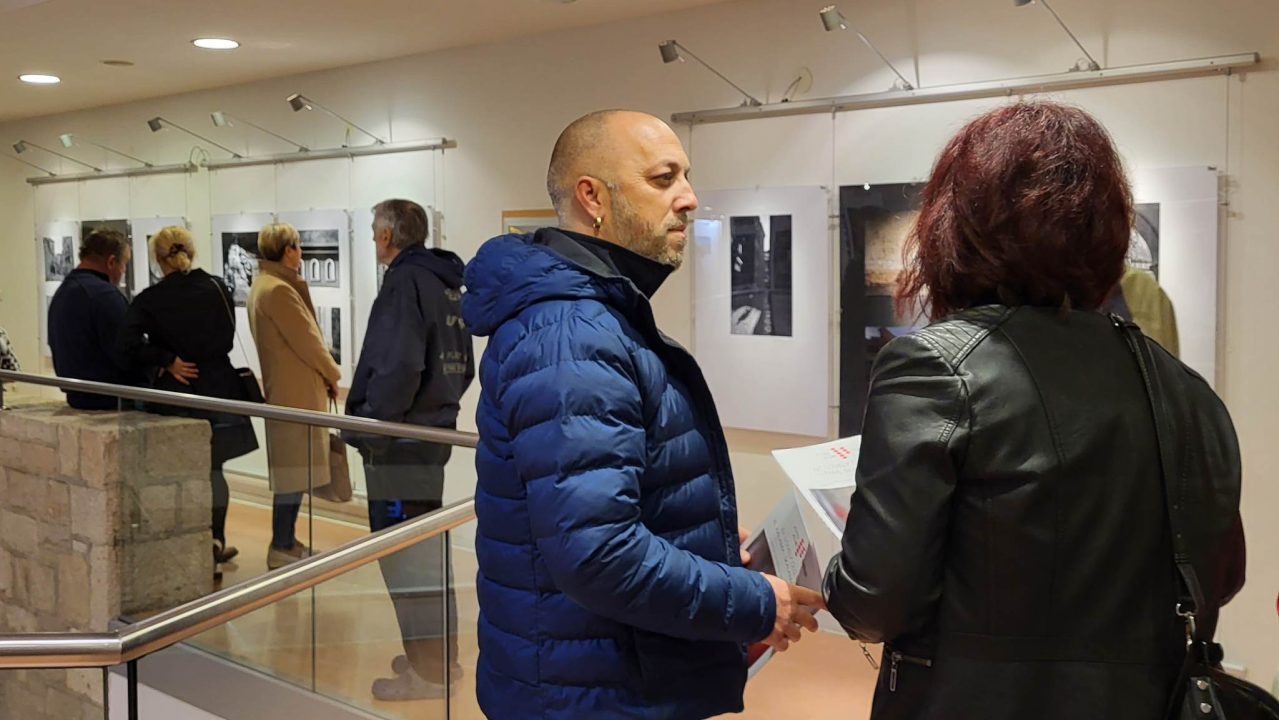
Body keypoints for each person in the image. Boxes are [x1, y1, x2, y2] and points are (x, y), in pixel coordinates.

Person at [822, 101, 1245, 720]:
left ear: (955, 227)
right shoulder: (1186, 391)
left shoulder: (938, 367)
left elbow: (874, 601)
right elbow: (1222, 578)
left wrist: (826, 569)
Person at [461, 110, 824, 720]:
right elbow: (597, 553)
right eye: (663, 178)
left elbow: (603, 508)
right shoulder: (572, 333)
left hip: (602, 681)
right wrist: (753, 601)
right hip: (592, 695)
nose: (689, 197)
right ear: (592, 196)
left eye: (685, 176)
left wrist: (699, 538)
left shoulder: (594, 318)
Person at [344, 199, 474, 701]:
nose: (374, 238)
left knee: (404, 557)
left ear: (386, 236)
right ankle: (439, 660)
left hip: (397, 446)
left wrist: (374, 432)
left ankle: (429, 671)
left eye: (375, 231)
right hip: (427, 439)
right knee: (424, 552)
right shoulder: (445, 281)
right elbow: (463, 367)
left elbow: (398, 368)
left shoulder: (403, 282)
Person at [118, 226, 259, 578]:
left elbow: (127, 345)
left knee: (174, 474)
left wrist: (166, 359)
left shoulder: (150, 299)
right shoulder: (216, 287)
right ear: (191, 252)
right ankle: (214, 541)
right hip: (218, 386)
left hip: (178, 391)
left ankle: (181, 547)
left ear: (157, 258)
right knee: (214, 470)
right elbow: (227, 336)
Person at [247, 223, 342, 571]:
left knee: (293, 472)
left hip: (287, 392)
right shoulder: (279, 291)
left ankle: (286, 540)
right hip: (296, 396)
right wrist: (333, 373)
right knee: (293, 473)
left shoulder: (263, 286)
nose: (301, 254)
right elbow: (309, 343)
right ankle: (282, 543)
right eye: (299, 247)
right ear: (288, 251)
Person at [48, 227, 140, 409]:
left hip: (78, 398)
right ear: (112, 262)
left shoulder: (64, 291)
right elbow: (127, 351)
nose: (123, 271)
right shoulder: (104, 295)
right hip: (112, 402)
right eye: (124, 264)